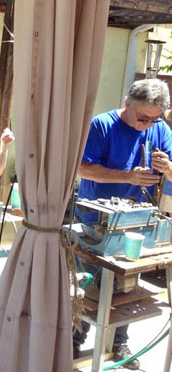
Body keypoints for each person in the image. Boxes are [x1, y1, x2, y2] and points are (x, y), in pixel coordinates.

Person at [73, 78, 172, 368]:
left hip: (135, 222)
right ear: (127, 103)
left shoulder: (159, 128)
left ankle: (119, 344)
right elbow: (83, 168)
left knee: (126, 289)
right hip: (95, 222)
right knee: (91, 289)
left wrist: (167, 168)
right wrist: (127, 176)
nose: (148, 124)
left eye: (155, 118)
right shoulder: (100, 125)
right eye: (143, 117)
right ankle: (75, 343)